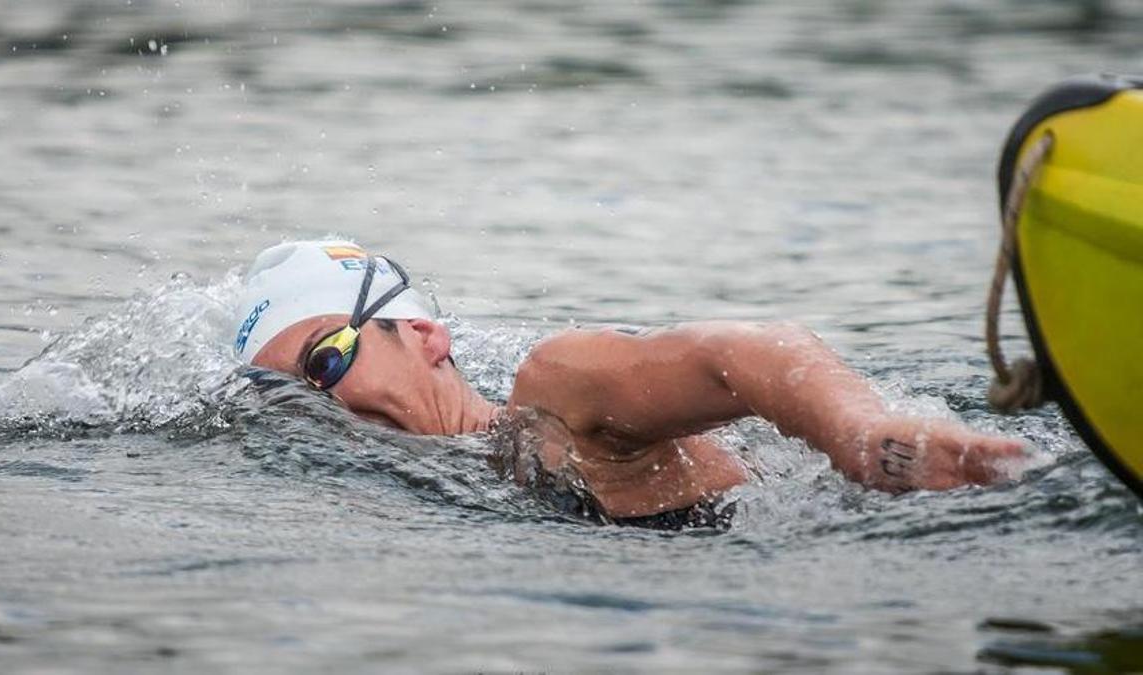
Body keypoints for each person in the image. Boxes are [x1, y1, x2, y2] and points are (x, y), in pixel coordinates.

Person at [233, 240, 1026, 528]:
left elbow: (746, 349)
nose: (317, 405)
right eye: (285, 396)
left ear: (426, 335)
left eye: (324, 360)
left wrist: (861, 436)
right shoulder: (430, 498)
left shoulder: (552, 402)